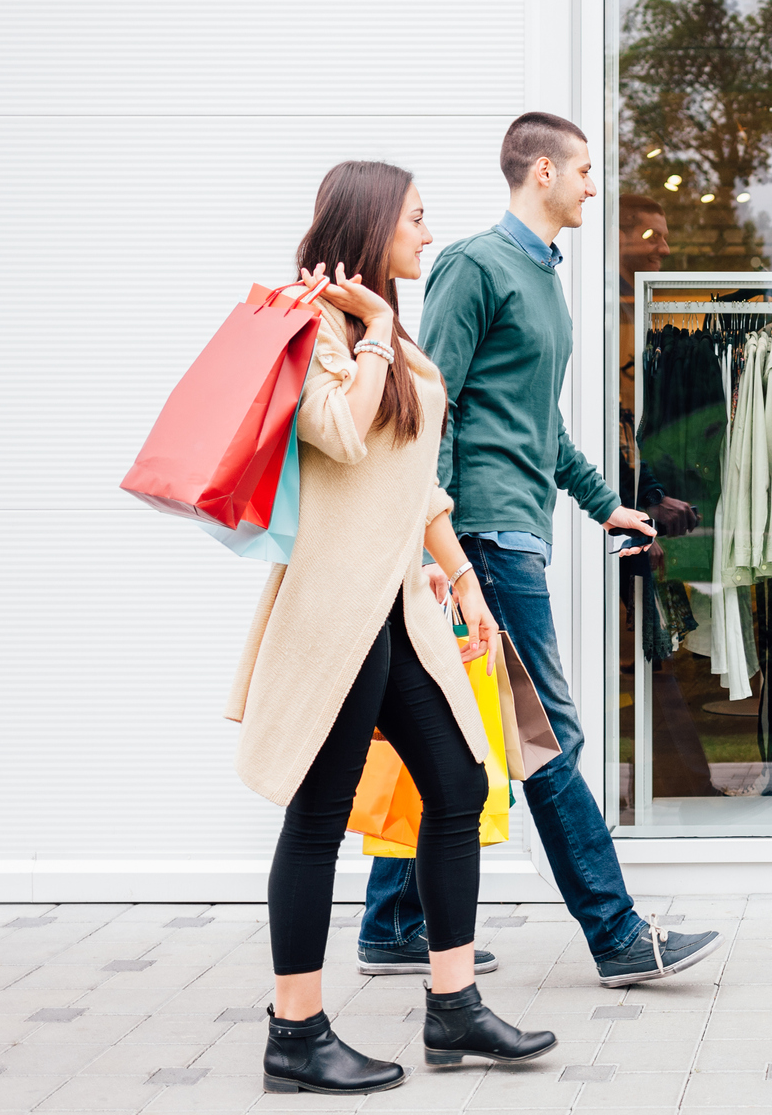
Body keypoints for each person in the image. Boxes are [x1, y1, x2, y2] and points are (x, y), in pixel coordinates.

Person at [357, 113, 722, 985]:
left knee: (458, 732)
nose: (596, 187)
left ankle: (391, 921)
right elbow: (427, 407)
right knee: (545, 734)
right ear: (545, 172)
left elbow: (539, 423)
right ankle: (616, 930)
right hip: (478, 537)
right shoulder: (474, 264)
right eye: (588, 171)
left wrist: (606, 505)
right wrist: (432, 547)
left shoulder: (544, 279)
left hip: (514, 530)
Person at [230, 162, 555, 1096]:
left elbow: (410, 480)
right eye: (415, 216)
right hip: (339, 605)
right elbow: (336, 429)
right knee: (320, 815)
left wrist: (462, 579)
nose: (427, 229)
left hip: (401, 605)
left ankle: (453, 1011)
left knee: (457, 781)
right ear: (372, 224)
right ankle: (295, 1033)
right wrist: (373, 330)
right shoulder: (313, 321)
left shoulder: (382, 327)